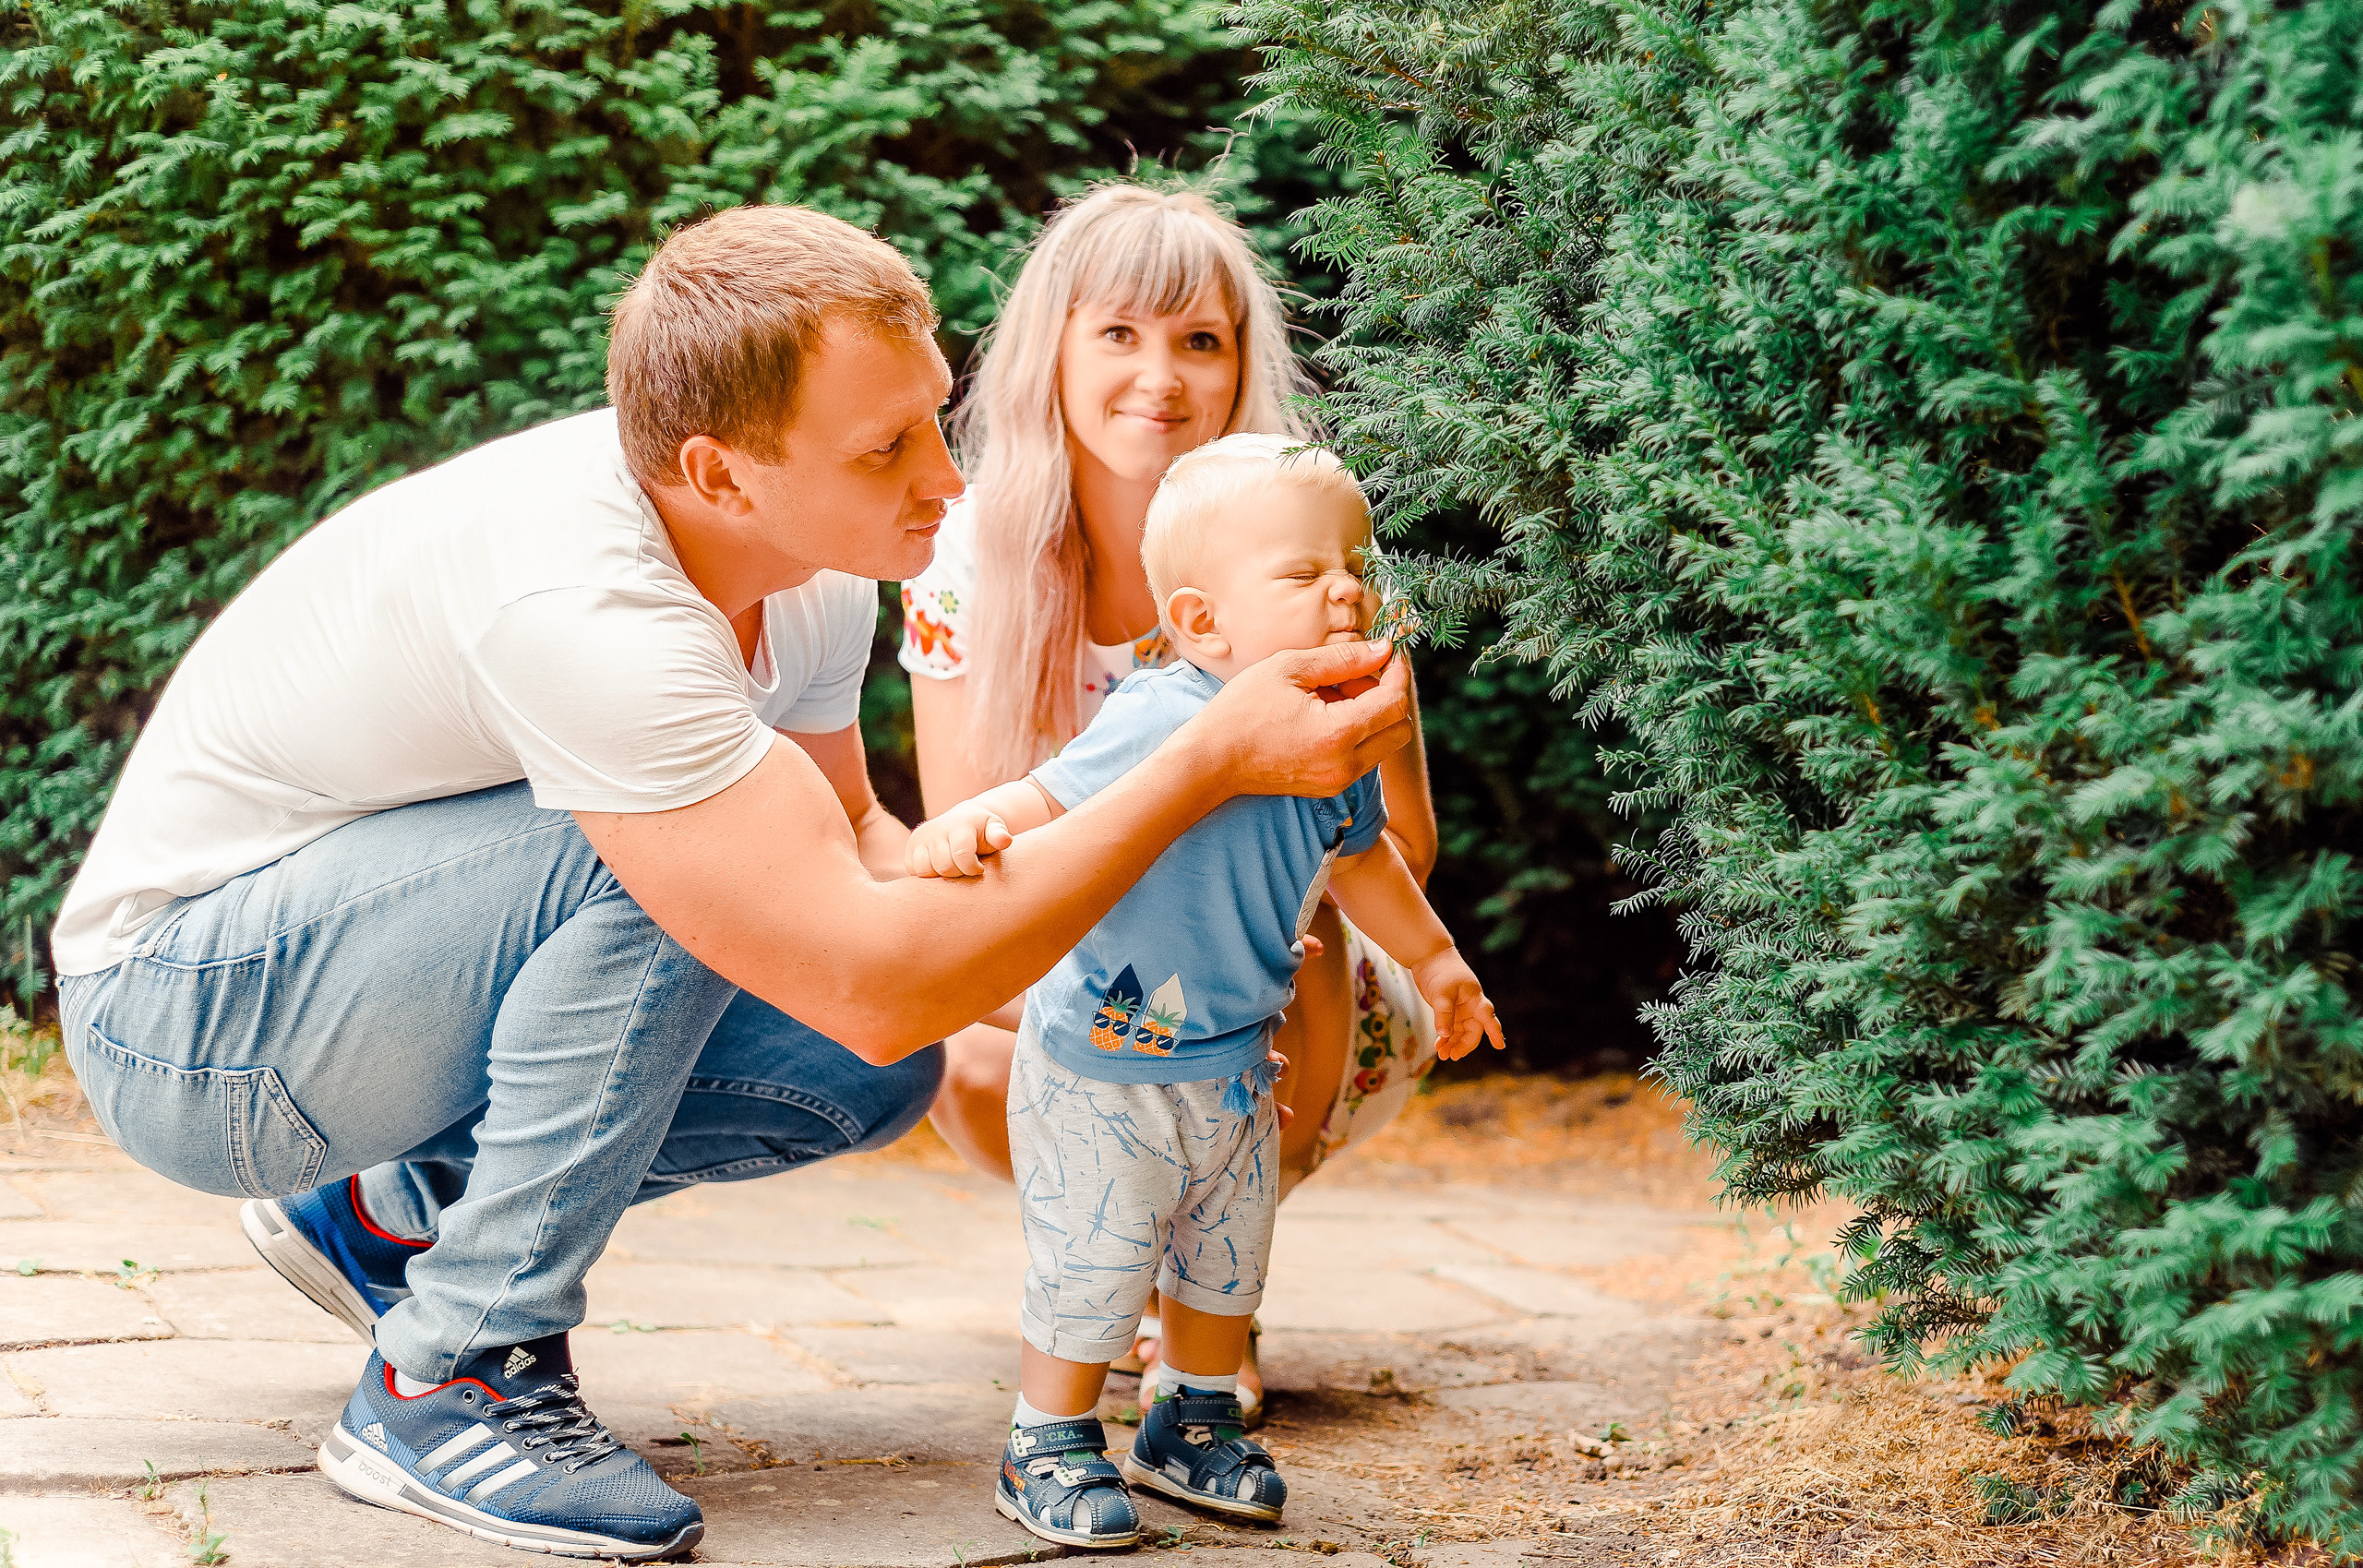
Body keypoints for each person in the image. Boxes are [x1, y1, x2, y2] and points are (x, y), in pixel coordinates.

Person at [48, 206, 1412, 1563]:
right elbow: (870, 973)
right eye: (886, 449)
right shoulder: (591, 612)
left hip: (360, 985)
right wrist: (1206, 758)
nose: (946, 482)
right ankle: (448, 1374)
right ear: (720, 469)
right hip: (191, 1029)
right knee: (675, 857)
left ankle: (398, 1216)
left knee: (864, 1067)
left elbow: (867, 852)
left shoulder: (810, 562)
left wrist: (1108, 999)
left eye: (934, 417)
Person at [900, 183, 1445, 1422]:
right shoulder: (966, 557)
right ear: (1055, 349)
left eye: (1201, 339)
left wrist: (1287, 891)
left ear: (1241, 365)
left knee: (1286, 955)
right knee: (968, 1064)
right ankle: (1112, 1270)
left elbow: (1403, 835)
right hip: (1081, 954)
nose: (1162, 374)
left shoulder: (1326, 552)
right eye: (1120, 334)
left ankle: (1209, 1310)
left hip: (1295, 970)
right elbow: (970, 848)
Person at [907, 435, 1502, 1550]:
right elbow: (1058, 792)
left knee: (1226, 1256)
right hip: (1105, 1062)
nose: (1345, 589)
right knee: (1098, 1254)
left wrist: (1434, 960)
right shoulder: (1164, 711)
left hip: (1232, 1060)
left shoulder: (1340, 732)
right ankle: (1045, 1433)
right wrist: (975, 823)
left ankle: (1191, 1414)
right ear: (1204, 622)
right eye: (1302, 573)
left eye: (1355, 567)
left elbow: (1364, 857)